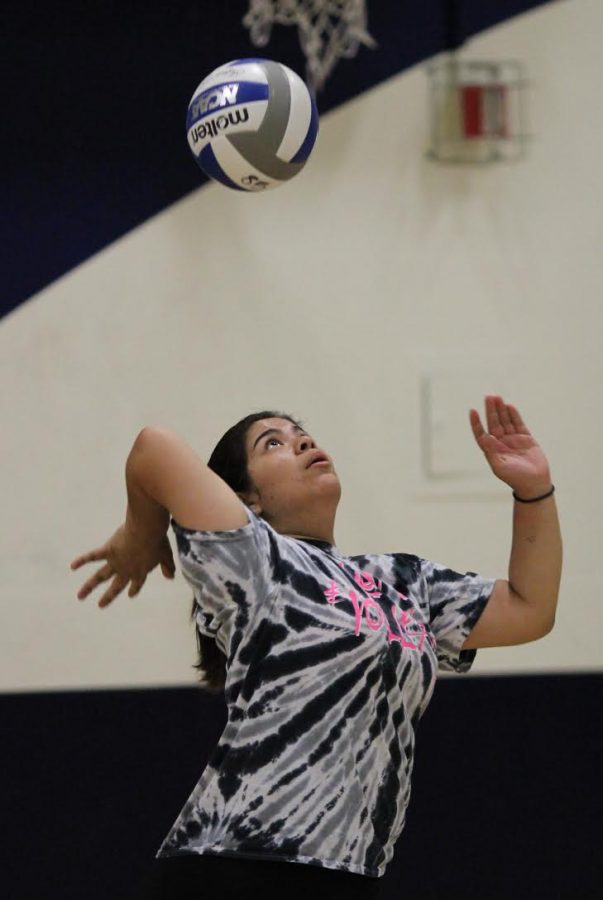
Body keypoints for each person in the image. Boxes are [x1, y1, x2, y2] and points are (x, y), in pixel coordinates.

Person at [71, 395, 562, 899]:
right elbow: (154, 447)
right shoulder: (255, 557)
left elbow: (530, 609)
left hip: (351, 874)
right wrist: (140, 535)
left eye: (300, 432)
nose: (302, 440)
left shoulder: (399, 581)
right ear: (249, 498)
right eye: (274, 442)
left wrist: (533, 490)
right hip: (238, 868)